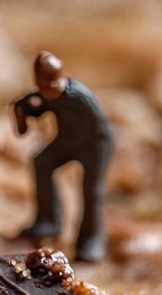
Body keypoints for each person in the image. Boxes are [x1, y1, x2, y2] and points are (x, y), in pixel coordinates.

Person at [12, 52, 113, 262]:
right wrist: (25, 111)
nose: (50, 93)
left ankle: (91, 239)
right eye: (44, 89)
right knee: (42, 161)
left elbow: (99, 126)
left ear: (60, 80)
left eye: (53, 87)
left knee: (91, 190)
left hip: (95, 145)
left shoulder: (80, 97)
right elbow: (26, 115)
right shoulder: (43, 96)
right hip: (68, 142)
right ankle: (47, 221)